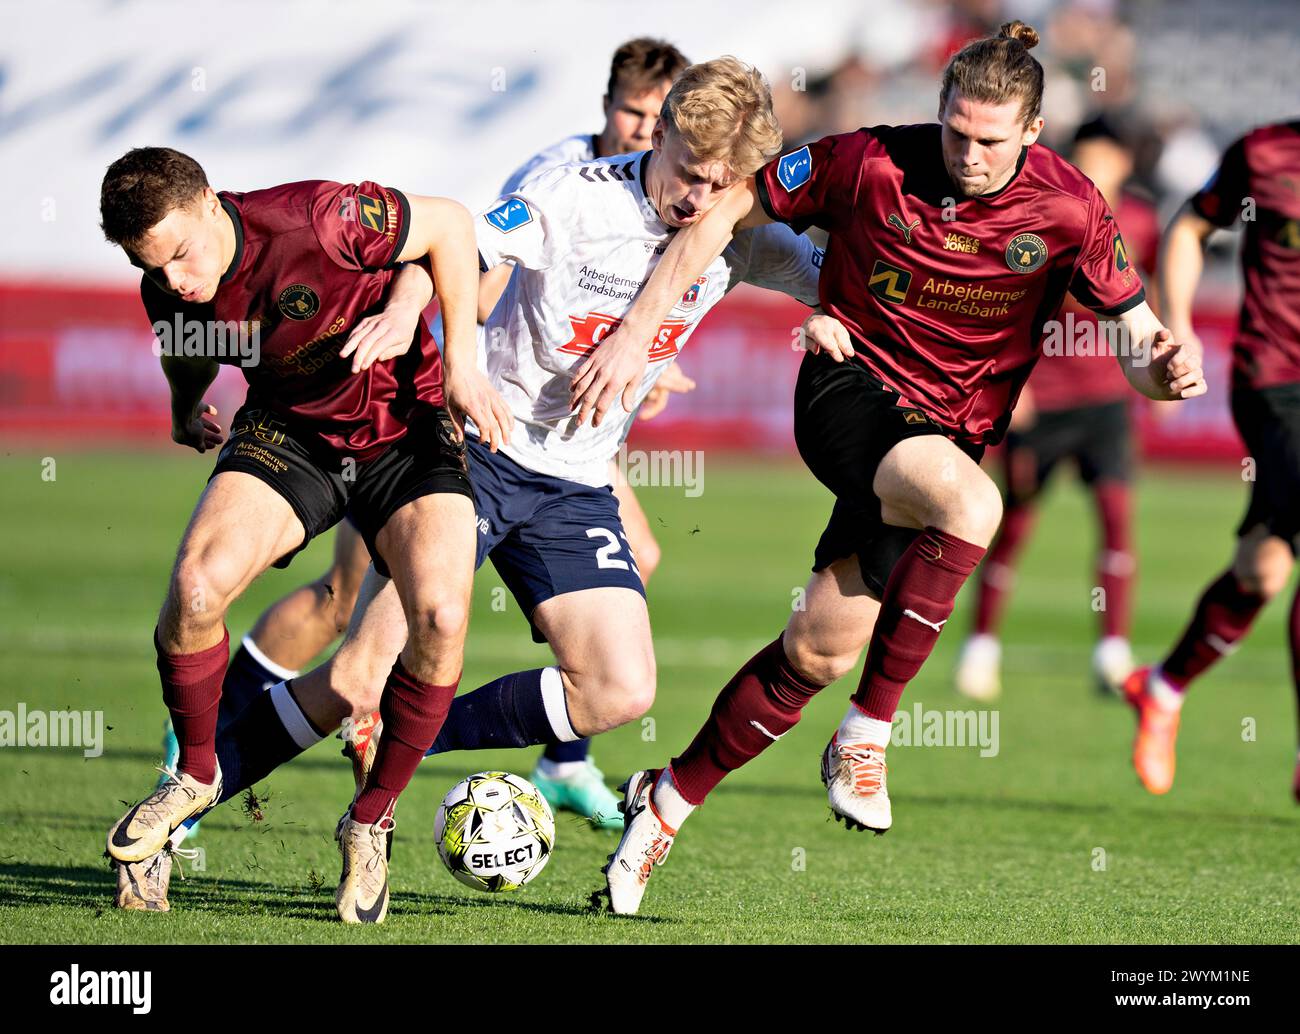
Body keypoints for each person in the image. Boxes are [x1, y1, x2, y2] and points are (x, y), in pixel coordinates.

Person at [142, 56, 825, 920]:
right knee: (353, 675)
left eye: (722, 186)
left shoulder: (745, 235)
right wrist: (405, 305)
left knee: (620, 690)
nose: (699, 199)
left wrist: (833, 313)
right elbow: (450, 241)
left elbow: (841, 276)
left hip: (576, 484)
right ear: (661, 136)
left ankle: (407, 733)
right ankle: (177, 807)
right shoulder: (574, 197)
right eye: (689, 174)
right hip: (472, 457)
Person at [581, 22, 1207, 915]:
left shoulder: (1071, 208)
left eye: (991, 139)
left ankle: (664, 804)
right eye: (956, 131)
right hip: (850, 394)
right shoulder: (866, 161)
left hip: (941, 438)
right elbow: (732, 206)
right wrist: (639, 332)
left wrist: (1165, 369)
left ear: (1032, 132)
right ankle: (868, 736)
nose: (970, 153)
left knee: (817, 650)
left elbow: (1139, 342)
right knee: (972, 506)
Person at [186, 38, 693, 830]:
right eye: (633, 110)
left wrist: (638, 355)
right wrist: (425, 329)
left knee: (637, 574)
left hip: (564, 455)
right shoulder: (562, 177)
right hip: (462, 424)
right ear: (608, 106)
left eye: (657, 115)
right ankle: (193, 775)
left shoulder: (701, 209)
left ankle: (551, 758)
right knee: (343, 615)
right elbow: (467, 256)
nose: (641, 127)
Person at [98, 146, 511, 922]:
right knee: (194, 588)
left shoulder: (319, 219)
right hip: (292, 436)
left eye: (183, 254)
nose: (178, 280)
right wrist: (186, 410)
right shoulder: (169, 286)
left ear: (210, 202)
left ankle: (369, 819)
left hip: (406, 434)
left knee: (442, 618)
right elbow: (188, 351)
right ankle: (192, 774)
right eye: (153, 267)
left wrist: (461, 362)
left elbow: (452, 226)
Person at [1120, 118, 1300, 798]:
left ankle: (1161, 687)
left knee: (1263, 570)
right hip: (1277, 380)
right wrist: (1182, 327)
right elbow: (1191, 227)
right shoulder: (1266, 152)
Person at [955, 116, 1163, 700]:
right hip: (1037, 399)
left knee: (1117, 517)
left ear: (1124, 163)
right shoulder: (1048, 215)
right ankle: (980, 647)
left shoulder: (1142, 222)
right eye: (1086, 159)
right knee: (1012, 525)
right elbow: (1000, 300)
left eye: (1106, 159)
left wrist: (1164, 362)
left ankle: (1112, 652)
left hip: (1106, 400)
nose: (1095, 170)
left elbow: (1154, 296)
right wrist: (1003, 388)